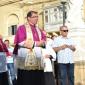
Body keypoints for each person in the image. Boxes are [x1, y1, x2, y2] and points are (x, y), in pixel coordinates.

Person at [13, 11, 47, 85]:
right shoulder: (22, 28)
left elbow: (44, 40)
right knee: (27, 80)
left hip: (38, 59)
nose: (37, 18)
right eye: (34, 17)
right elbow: (21, 41)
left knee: (38, 80)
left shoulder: (39, 29)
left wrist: (43, 43)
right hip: (26, 60)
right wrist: (36, 43)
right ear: (28, 18)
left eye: (37, 17)